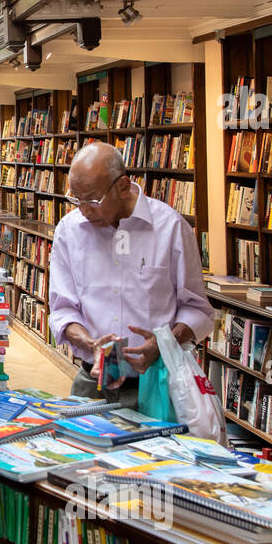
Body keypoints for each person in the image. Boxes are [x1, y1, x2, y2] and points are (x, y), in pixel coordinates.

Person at [48, 142, 215, 406]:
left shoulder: (170, 228)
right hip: (93, 381)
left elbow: (197, 310)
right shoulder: (69, 231)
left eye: (93, 200)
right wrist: (90, 343)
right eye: (76, 199)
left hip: (157, 383)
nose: (84, 210)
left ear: (123, 186)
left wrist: (162, 343)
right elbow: (62, 310)